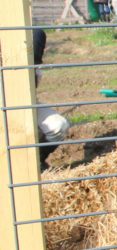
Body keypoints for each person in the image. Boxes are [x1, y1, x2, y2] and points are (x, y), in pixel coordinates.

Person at [32, 29, 70, 168]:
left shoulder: (33, 35)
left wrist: (32, 68)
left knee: (58, 126)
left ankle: (35, 161)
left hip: (26, 101)